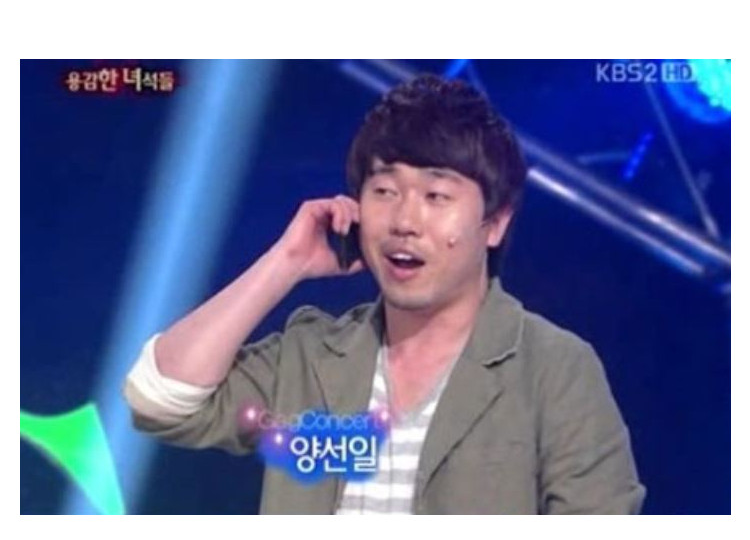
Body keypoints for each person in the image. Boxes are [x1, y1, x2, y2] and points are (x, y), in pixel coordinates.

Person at [124, 73, 646, 514]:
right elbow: (159, 399)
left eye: (436, 195)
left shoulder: (553, 369)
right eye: (384, 191)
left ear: (495, 223)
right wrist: (286, 262)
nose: (404, 221)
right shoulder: (310, 355)